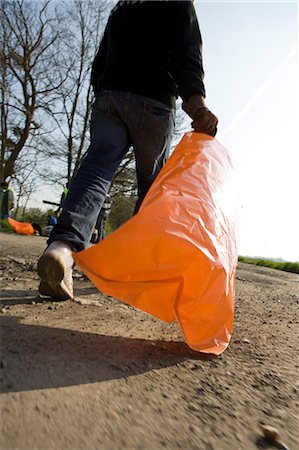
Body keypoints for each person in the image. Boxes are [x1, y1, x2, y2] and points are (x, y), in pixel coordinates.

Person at [37, 0, 218, 301]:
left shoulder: (123, 7)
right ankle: (130, 269)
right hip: (155, 102)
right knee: (150, 186)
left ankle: (62, 248)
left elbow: (100, 61)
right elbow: (187, 54)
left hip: (111, 97)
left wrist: (106, 93)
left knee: (96, 171)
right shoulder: (179, 3)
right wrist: (196, 104)